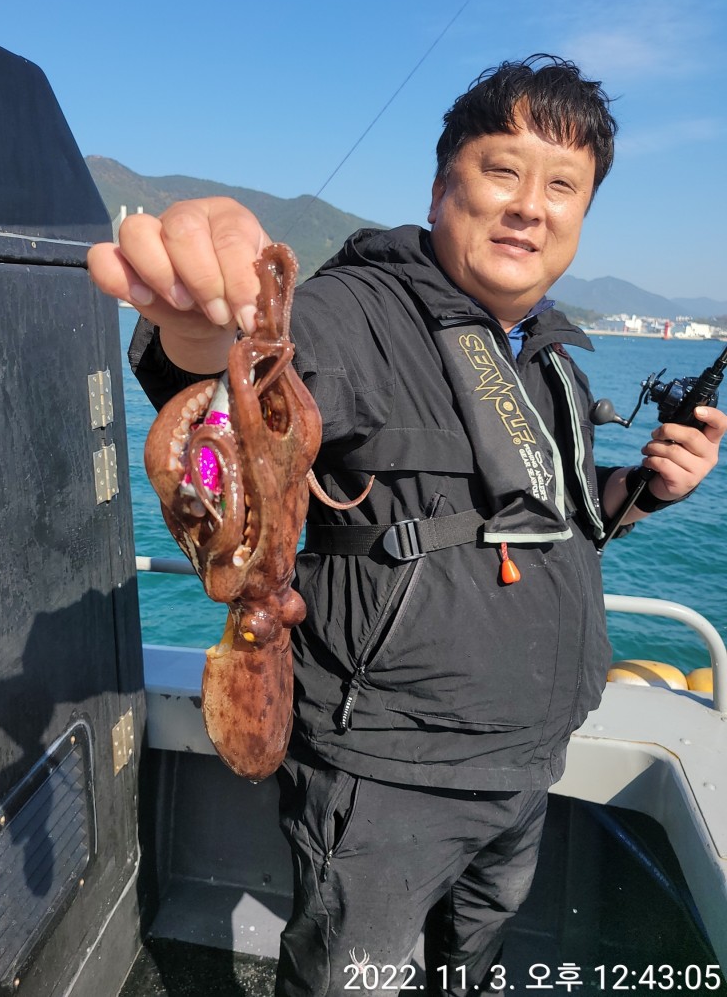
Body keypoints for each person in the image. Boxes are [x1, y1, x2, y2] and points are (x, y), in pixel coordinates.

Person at [88, 55, 726, 996]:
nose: (530, 206)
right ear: (440, 187)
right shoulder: (354, 313)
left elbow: (547, 516)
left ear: (582, 216)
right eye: (502, 170)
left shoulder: (553, 362)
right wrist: (198, 332)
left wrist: (646, 488)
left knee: (470, 969)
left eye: (562, 186)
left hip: (524, 766)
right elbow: (248, 386)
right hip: (387, 777)